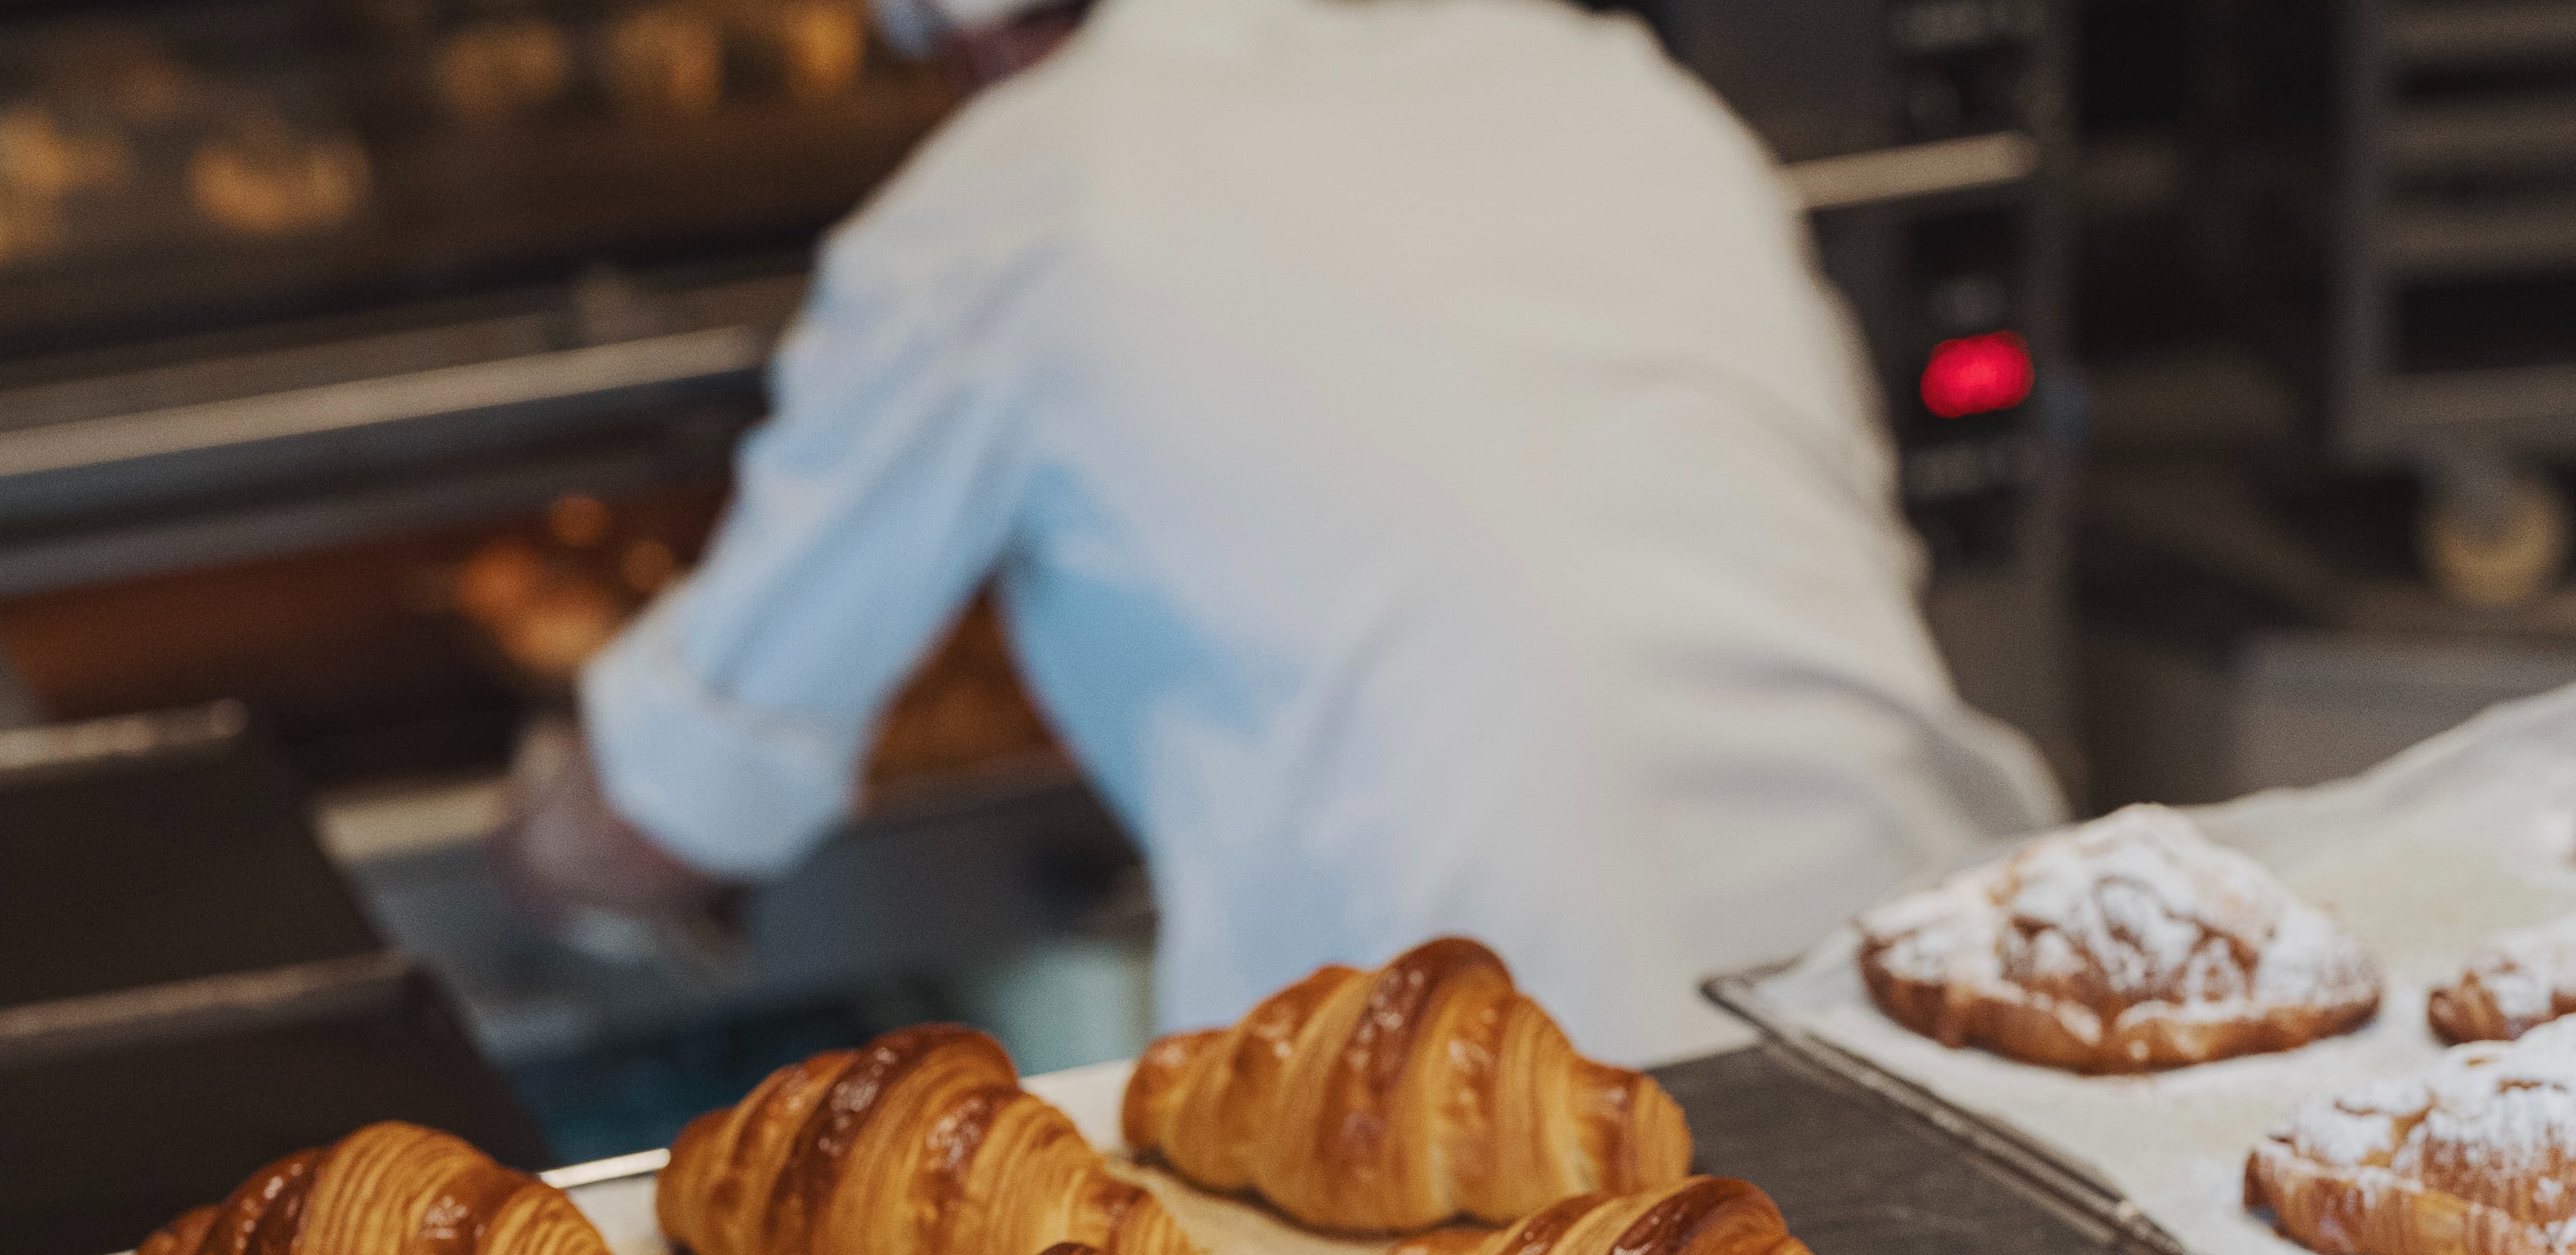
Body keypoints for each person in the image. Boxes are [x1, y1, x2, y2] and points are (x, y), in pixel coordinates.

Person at [498, 0, 2062, 1064]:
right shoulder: (1616, 85)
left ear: (971, 40)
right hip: (1937, 1015)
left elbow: (664, 813)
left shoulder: (1022, 188)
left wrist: (532, 844)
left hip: (1496, 1109)